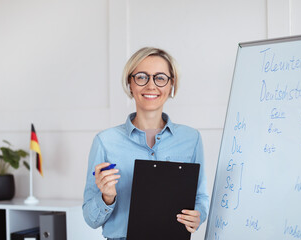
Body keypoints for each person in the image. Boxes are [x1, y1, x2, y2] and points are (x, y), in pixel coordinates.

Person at [82, 47, 209, 240]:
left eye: (160, 78)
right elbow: (91, 219)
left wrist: (198, 215)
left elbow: (200, 198)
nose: (151, 86)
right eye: (142, 77)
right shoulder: (105, 141)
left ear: (171, 84)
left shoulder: (191, 139)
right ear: (130, 83)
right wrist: (106, 197)